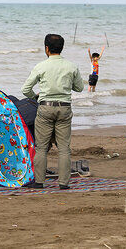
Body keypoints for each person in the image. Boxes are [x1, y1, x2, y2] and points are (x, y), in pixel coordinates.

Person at [22, 34, 84, 189]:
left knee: (41, 147)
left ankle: (39, 182)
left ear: (46, 48)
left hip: (45, 107)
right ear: (62, 48)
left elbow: (25, 89)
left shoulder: (41, 66)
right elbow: (80, 88)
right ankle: (63, 183)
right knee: (64, 148)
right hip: (64, 108)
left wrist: (35, 98)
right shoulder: (71, 66)